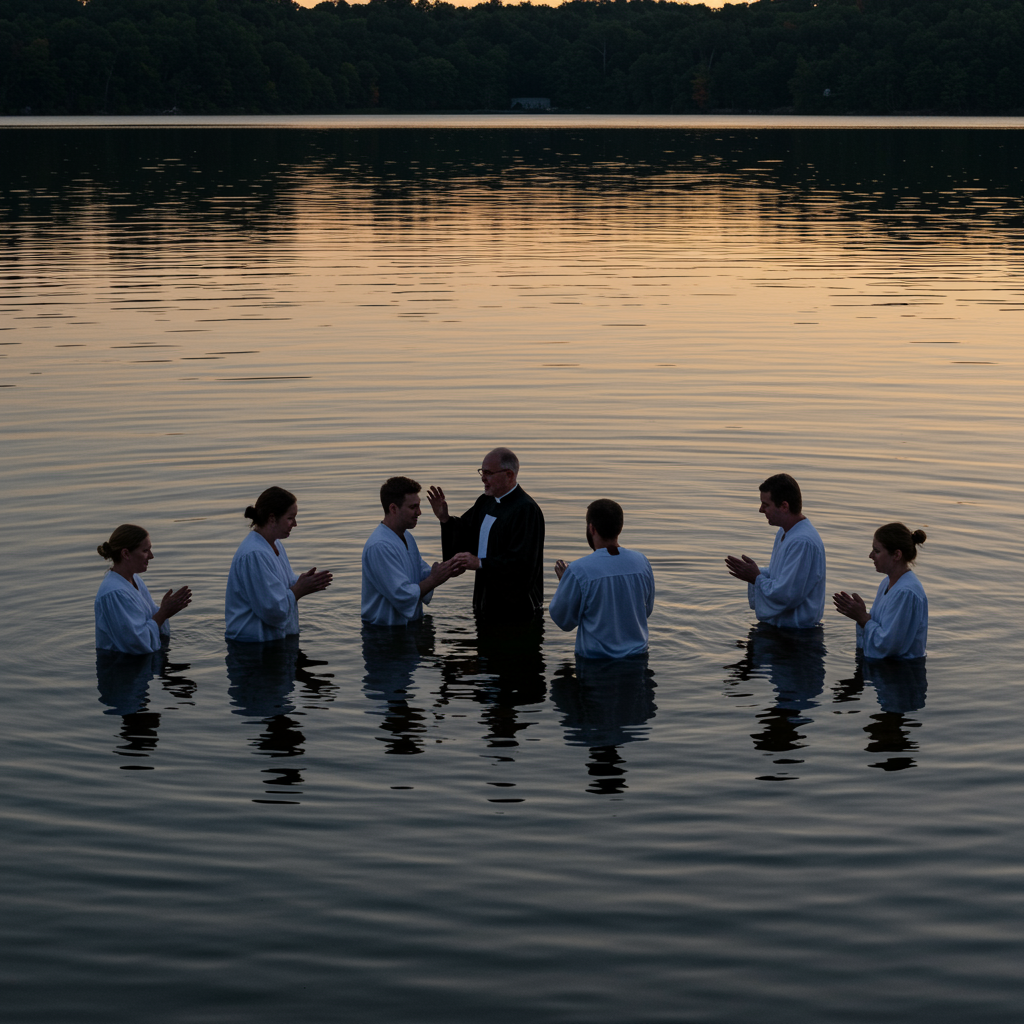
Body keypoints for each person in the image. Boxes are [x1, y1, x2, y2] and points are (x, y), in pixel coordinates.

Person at [426, 447, 545, 624]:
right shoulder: (485, 502)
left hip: (517, 610)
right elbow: (466, 532)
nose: (483, 478)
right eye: (482, 472)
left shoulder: (525, 510)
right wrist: (445, 519)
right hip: (485, 599)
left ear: (509, 475)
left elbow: (522, 563)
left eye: (488, 473)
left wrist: (481, 563)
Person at [548, 499, 655, 659]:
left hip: (596, 663)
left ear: (591, 528)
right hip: (638, 658)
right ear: (620, 527)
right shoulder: (641, 562)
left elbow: (563, 621)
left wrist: (566, 583)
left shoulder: (579, 570)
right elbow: (646, 610)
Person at [225, 486, 332, 642]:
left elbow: (283, 584)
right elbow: (272, 610)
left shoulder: (273, 545)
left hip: (270, 643)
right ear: (272, 519)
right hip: (251, 647)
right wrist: (298, 591)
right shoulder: (255, 554)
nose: (295, 524)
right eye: (290, 518)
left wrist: (306, 582)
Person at [725, 473, 826, 629]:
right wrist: (754, 573)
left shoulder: (802, 542)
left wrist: (756, 577)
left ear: (784, 506)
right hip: (783, 629)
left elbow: (787, 594)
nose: (760, 510)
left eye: (766, 505)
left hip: (797, 635)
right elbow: (781, 577)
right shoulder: (785, 532)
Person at [361, 476, 460, 625]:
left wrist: (449, 568)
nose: (419, 512)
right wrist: (435, 579)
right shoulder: (380, 546)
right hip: (382, 634)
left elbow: (422, 576)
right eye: (413, 507)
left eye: (418, 506)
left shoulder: (407, 536)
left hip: (409, 628)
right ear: (393, 508)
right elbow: (402, 595)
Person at [833, 523, 928, 659]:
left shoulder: (906, 592)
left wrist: (862, 618)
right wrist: (861, 616)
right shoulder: (887, 583)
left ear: (896, 555)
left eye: (877, 551)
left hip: (902, 673)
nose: (871, 556)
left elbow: (888, 646)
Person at [95, 524, 192, 654]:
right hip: (119, 666)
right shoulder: (115, 592)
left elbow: (151, 618)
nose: (151, 556)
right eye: (145, 551)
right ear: (126, 554)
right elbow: (137, 643)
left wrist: (167, 608)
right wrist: (163, 613)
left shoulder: (135, 579)